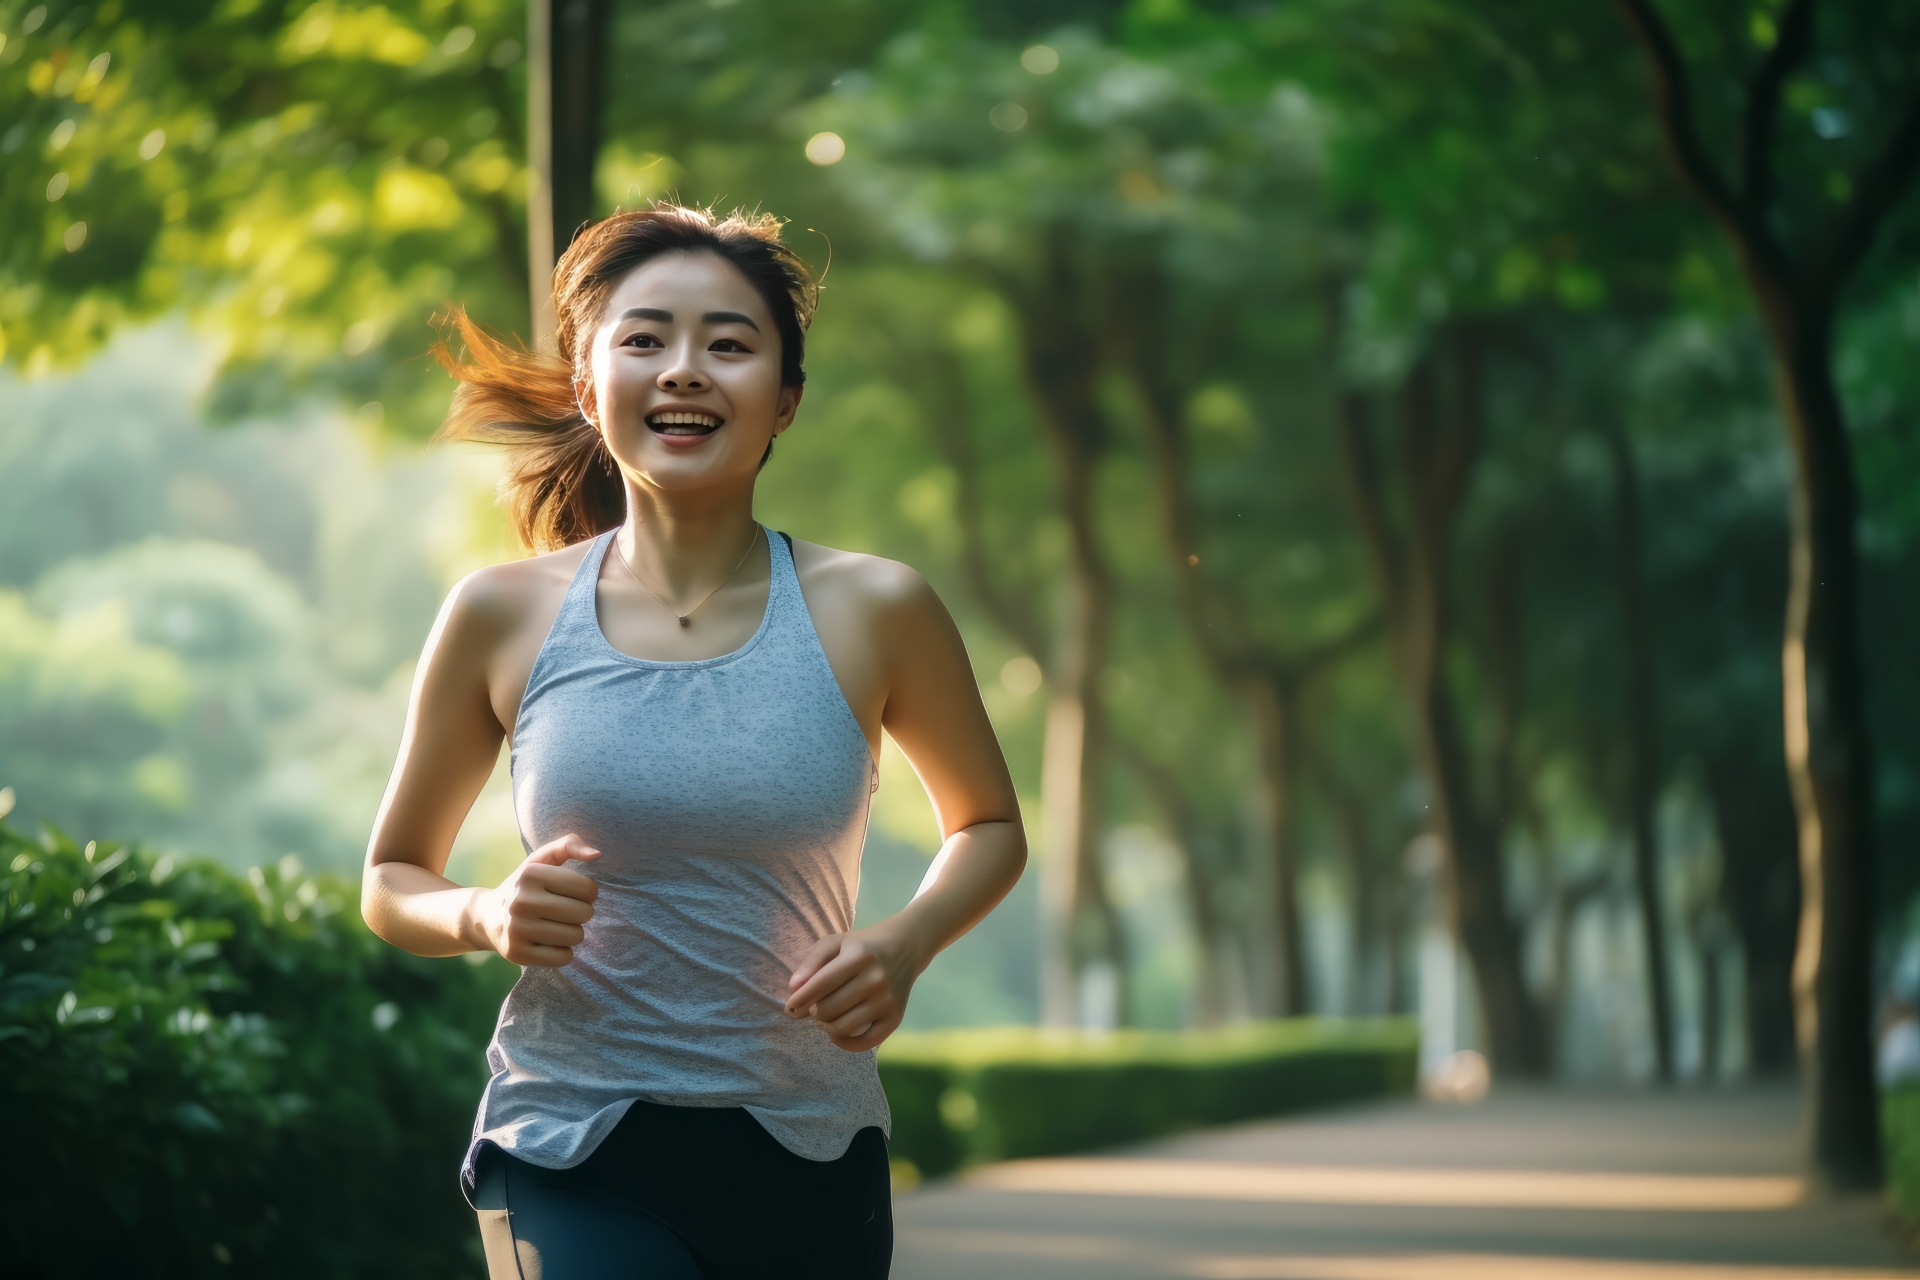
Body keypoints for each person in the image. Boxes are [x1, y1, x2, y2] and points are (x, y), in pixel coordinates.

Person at [359, 204, 1027, 1280]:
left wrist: (905, 942)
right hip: (570, 1138)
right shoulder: (500, 613)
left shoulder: (878, 607)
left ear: (786, 399)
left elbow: (989, 823)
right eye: (644, 339)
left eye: (728, 343)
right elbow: (390, 878)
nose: (683, 370)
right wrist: (483, 910)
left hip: (810, 1139)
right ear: (589, 388)